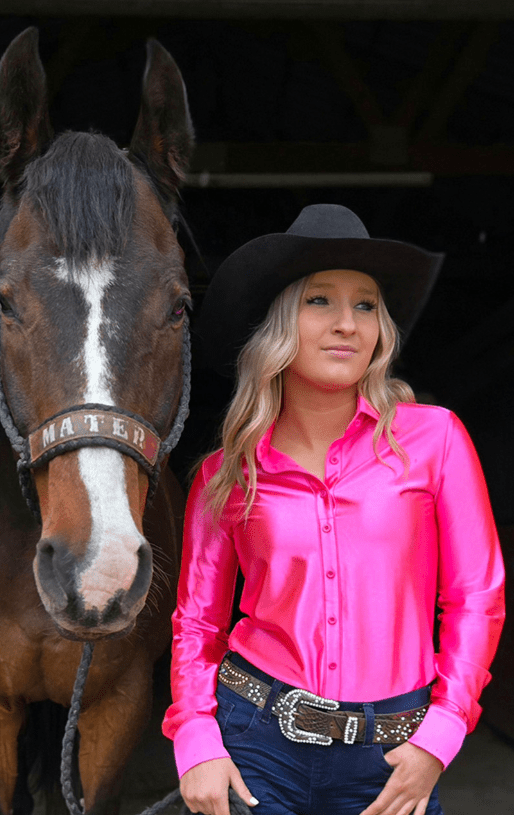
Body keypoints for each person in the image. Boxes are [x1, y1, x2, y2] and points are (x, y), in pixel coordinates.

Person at [162, 204, 505, 815]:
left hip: (395, 753)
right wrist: (195, 737)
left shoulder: (436, 440)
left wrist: (444, 731)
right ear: (277, 325)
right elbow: (197, 624)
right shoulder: (227, 473)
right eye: (319, 300)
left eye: (366, 305)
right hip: (256, 743)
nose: (347, 323)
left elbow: (476, 597)